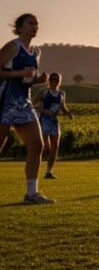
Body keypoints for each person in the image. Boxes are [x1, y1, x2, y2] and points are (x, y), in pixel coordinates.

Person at [0, 13, 53, 204]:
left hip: (24, 102)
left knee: (37, 145)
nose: (35, 26)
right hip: (4, 101)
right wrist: (20, 73)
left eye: (37, 23)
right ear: (20, 27)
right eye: (30, 23)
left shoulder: (36, 52)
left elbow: (26, 80)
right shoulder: (13, 47)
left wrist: (38, 79)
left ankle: (32, 194)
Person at [38, 72, 74, 179]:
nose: (55, 81)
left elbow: (63, 107)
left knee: (55, 147)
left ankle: (49, 172)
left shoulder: (61, 94)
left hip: (54, 122)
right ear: (49, 81)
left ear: (60, 81)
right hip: (44, 120)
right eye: (53, 79)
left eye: (57, 79)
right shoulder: (44, 92)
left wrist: (68, 113)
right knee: (46, 147)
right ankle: (38, 165)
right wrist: (45, 111)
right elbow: (32, 103)